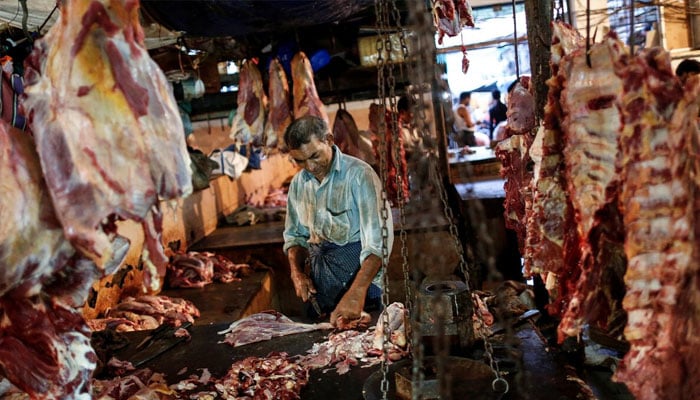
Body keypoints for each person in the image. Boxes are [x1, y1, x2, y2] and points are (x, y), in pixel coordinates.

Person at [283, 115, 393, 327]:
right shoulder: (299, 183)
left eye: (314, 156)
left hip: (363, 289)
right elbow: (295, 236)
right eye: (300, 160)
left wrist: (356, 293)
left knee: (364, 352)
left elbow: (379, 243)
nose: (310, 167)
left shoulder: (360, 176)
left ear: (329, 140)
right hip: (320, 288)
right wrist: (296, 273)